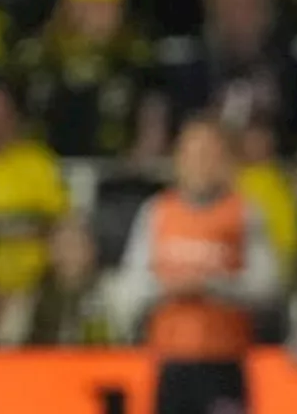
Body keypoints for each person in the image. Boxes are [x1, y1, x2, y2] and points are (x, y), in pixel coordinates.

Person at [116, 116, 281, 414]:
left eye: (210, 155)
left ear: (226, 162)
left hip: (224, 361)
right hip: (168, 363)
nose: (200, 165)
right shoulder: (157, 213)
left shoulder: (244, 213)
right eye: (193, 155)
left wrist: (210, 286)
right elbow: (128, 288)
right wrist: (167, 289)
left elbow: (267, 286)